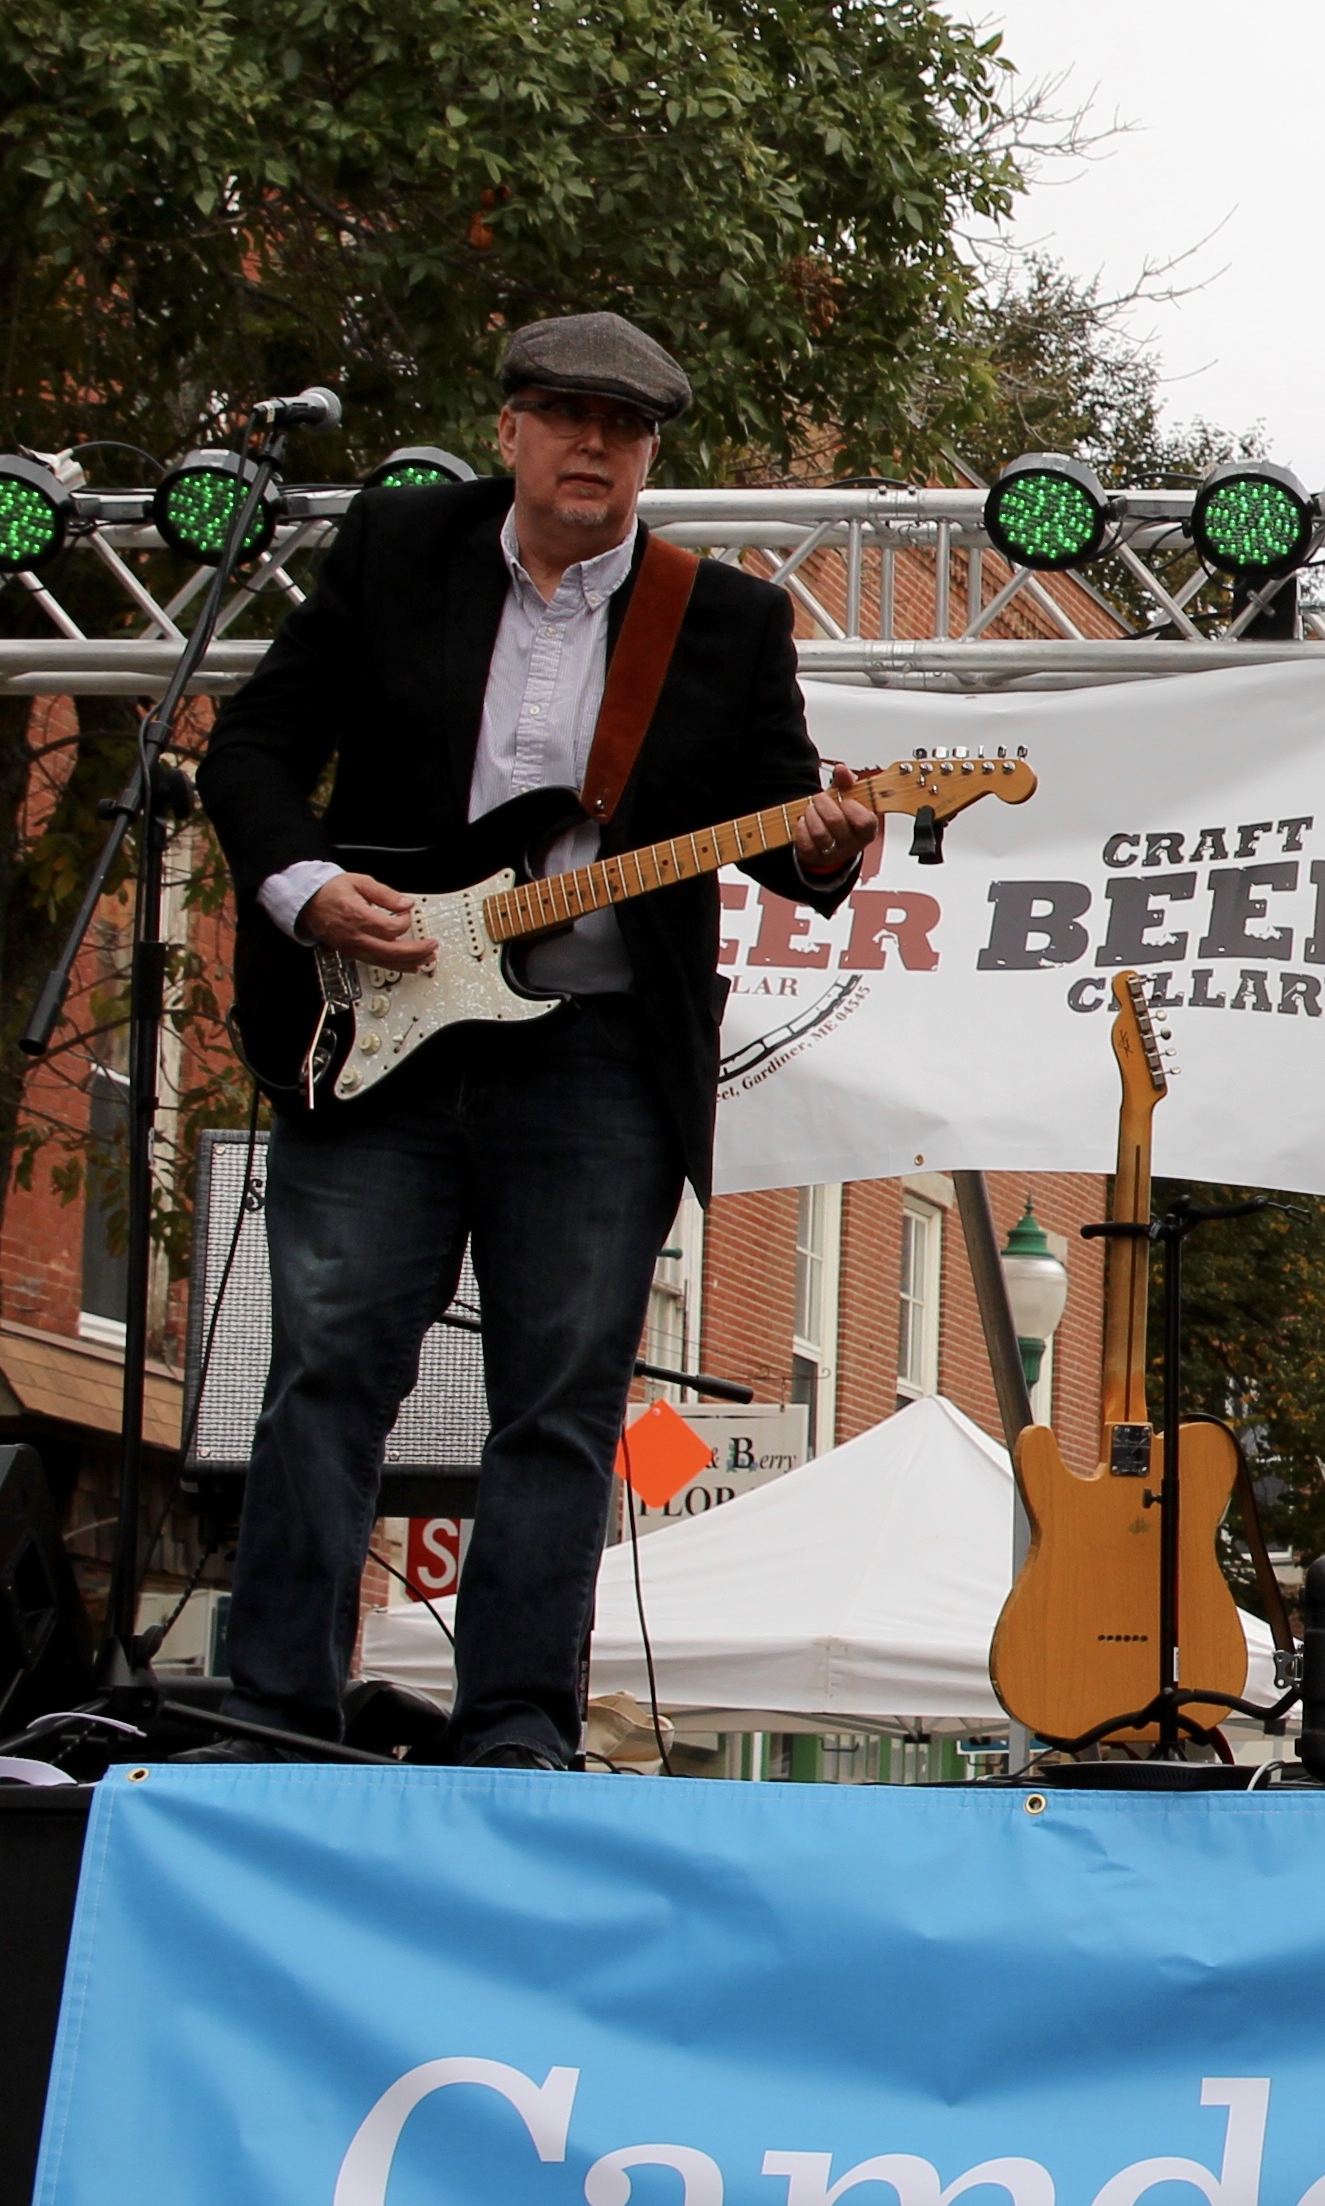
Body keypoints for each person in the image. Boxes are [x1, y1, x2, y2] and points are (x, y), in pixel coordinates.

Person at [198, 314, 874, 1762]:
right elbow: (249, 745)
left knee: (559, 1403)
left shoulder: (723, 619)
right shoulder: (397, 551)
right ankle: (274, 1712)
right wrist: (307, 888)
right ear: (508, 430)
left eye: (625, 430)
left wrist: (827, 843)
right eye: (568, 416)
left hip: (595, 1058)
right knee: (325, 1374)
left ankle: (515, 1724)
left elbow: (782, 835)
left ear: (649, 457)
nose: (594, 447)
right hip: (377, 1026)